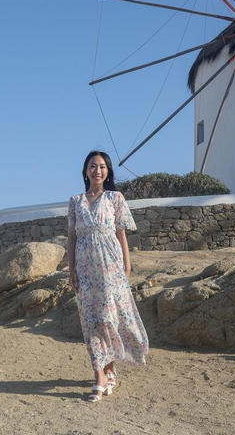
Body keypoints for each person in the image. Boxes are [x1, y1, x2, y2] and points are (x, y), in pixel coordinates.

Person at [67, 150, 148, 402]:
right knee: (90, 320)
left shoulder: (115, 198)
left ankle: (109, 369)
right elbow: (72, 237)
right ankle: (100, 375)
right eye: (93, 166)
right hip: (85, 268)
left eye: (102, 166)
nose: (97, 170)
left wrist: (127, 264)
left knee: (109, 318)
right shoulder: (75, 200)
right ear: (86, 171)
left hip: (110, 266)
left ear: (108, 171)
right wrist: (71, 268)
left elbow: (121, 233)